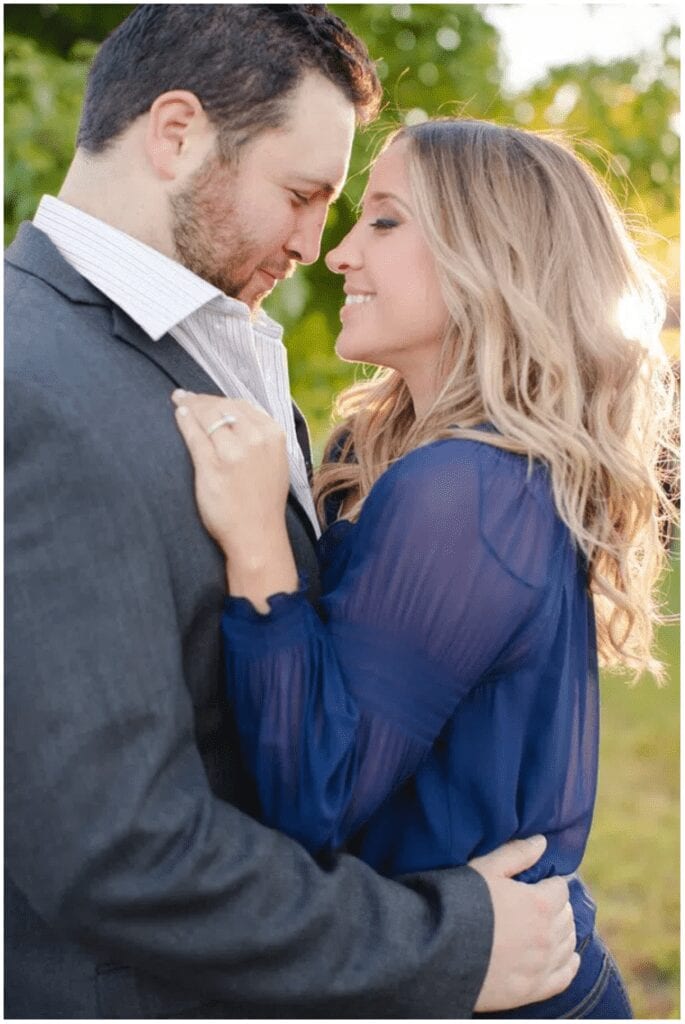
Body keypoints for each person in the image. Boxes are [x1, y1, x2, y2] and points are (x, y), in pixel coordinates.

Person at [4, 7, 579, 1019]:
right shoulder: (34, 384)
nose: (321, 244)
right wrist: (443, 945)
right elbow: (115, 846)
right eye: (303, 195)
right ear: (176, 135)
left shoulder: (216, 347)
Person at [172, 119, 677, 1018]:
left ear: (491, 253)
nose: (338, 255)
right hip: (431, 962)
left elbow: (317, 794)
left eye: (385, 222)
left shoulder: (468, 487)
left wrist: (255, 547)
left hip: (499, 990)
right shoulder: (380, 447)